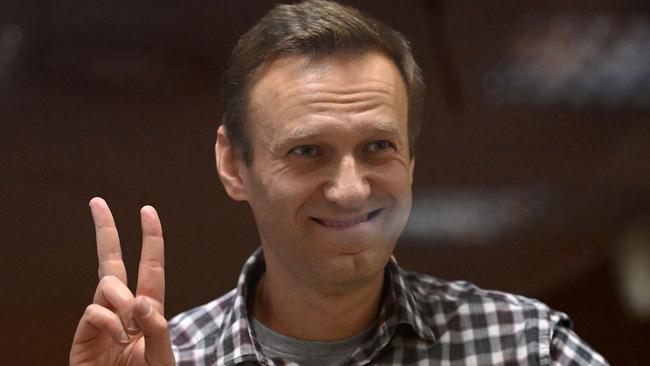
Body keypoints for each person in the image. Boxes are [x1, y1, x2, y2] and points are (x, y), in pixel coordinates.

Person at [69, 1, 609, 365]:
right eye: (308, 151)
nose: (351, 190)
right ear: (235, 166)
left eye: (378, 147)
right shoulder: (169, 358)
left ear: (411, 161)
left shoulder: (528, 347)